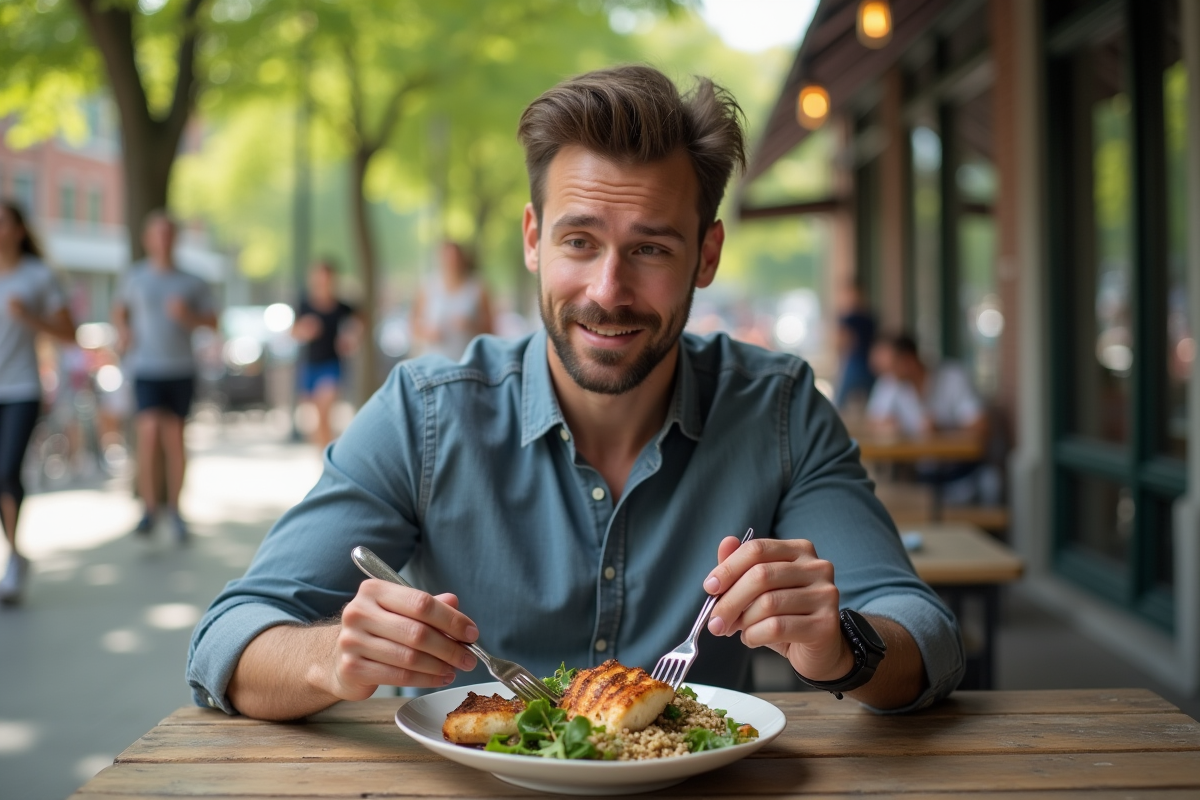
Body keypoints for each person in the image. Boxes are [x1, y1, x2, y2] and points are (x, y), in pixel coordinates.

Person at [188, 66, 963, 721]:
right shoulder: (425, 414)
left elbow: (926, 634)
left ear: (707, 254)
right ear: (534, 238)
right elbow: (228, 640)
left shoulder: (780, 410)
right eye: (580, 242)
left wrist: (841, 646)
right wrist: (332, 656)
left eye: (650, 248)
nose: (607, 290)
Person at [113, 211, 217, 542]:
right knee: (148, 435)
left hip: (180, 368)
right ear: (147, 239)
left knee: (174, 439)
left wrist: (189, 316)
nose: (163, 239)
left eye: (169, 233)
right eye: (157, 233)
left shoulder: (192, 281)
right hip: (145, 368)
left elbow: (213, 321)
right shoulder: (135, 277)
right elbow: (120, 311)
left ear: (176, 238)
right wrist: (124, 332)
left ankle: (175, 510)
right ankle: (148, 509)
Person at [0, 201, 76, 604]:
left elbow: (69, 332)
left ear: (18, 230)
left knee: (7, 472)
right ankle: (15, 554)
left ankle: (14, 557)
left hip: (21, 389)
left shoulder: (38, 275)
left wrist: (30, 317)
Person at [866, 334, 988, 503]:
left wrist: (942, 429)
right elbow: (873, 420)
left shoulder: (952, 376)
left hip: (962, 477)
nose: (888, 374)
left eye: (891, 367)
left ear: (908, 360)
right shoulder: (890, 382)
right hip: (918, 479)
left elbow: (981, 425)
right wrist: (887, 426)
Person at [291, 260, 360, 449]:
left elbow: (357, 328)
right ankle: (321, 454)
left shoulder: (342, 308)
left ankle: (328, 454)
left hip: (332, 365)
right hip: (310, 365)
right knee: (314, 419)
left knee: (324, 412)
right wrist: (305, 330)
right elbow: (293, 332)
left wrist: (350, 338)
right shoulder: (305, 305)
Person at [411, 241, 493, 360]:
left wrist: (471, 325)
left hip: (468, 361)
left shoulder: (477, 287)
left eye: (455, 258)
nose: (452, 262)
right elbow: (413, 326)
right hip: (434, 362)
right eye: (448, 258)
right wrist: (429, 333)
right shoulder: (428, 286)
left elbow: (491, 329)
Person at [834, 279, 877, 411]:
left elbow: (842, 343)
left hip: (858, 363)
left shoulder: (850, 318)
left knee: (840, 402)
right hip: (864, 363)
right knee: (871, 401)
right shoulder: (868, 316)